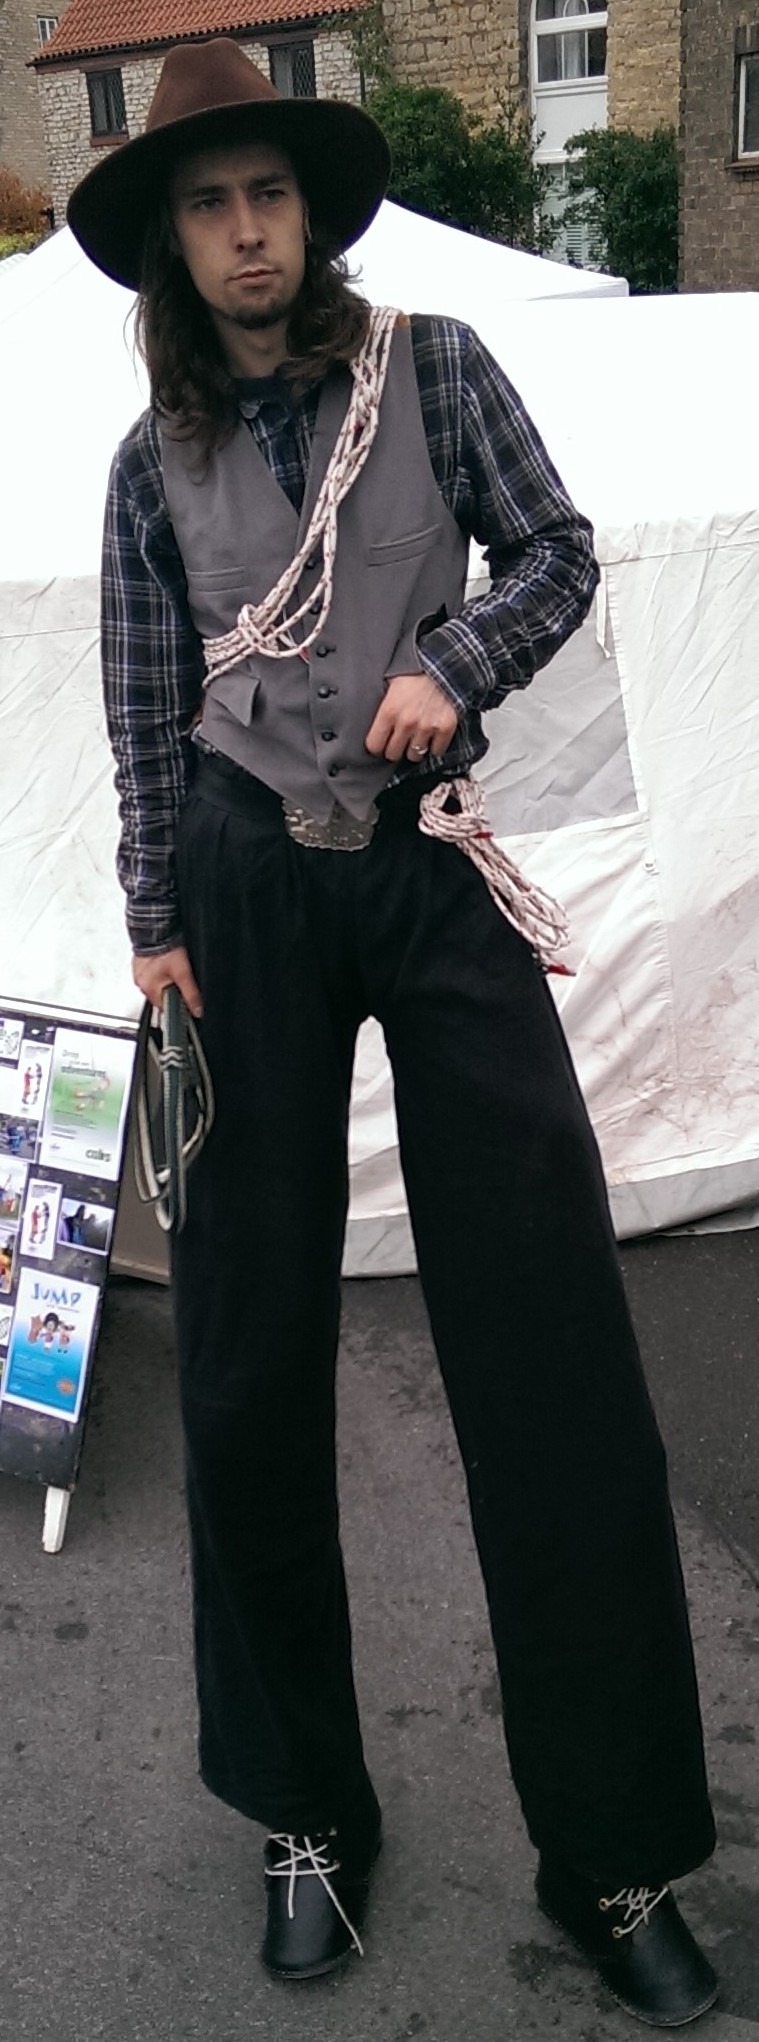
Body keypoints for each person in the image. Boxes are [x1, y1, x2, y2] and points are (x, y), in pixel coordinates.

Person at [68, 41, 718, 2023]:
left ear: (311, 209)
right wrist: (163, 928)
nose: (246, 230)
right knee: (251, 1346)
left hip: (430, 869)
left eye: (268, 192)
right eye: (208, 202)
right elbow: (146, 707)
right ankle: (301, 1807)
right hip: (250, 895)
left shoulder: (429, 372)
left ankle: (606, 1851)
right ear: (171, 240)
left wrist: (449, 661)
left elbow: (551, 554)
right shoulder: (144, 464)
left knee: (543, 1322)